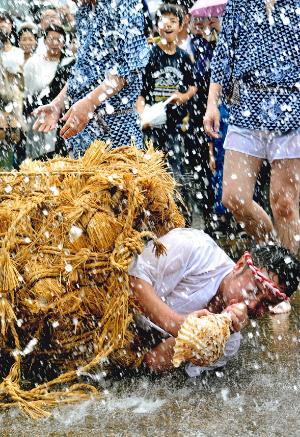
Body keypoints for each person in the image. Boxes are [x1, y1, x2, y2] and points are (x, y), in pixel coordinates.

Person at [128, 227, 299, 373]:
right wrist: (178, 324)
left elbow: (149, 364)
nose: (253, 304)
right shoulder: (194, 248)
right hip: (112, 309)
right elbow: (131, 278)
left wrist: (210, 333)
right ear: (239, 265)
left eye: (267, 304)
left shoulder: (229, 343)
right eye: (254, 290)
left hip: (127, 346)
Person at [204, 0, 300, 255]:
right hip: (246, 105)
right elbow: (223, 53)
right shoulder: (240, 3)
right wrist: (211, 103)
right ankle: (274, 257)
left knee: (285, 203)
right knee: (233, 197)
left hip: (292, 106)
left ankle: (286, 277)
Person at [33, 0, 150, 158]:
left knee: (118, 181)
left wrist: (90, 102)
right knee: (82, 182)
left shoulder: (124, 4)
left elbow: (127, 69)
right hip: (83, 130)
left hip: (117, 126)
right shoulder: (84, 11)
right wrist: (58, 103)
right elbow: (82, 70)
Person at [136, 3, 197, 220]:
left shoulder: (184, 56)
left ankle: (178, 216)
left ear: (181, 26)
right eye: (164, 20)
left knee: (176, 172)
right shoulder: (149, 56)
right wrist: (142, 116)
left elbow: (193, 85)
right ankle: (153, 217)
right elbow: (140, 93)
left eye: (173, 21)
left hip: (175, 126)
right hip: (152, 126)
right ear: (157, 25)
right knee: (150, 173)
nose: (168, 25)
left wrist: (183, 97)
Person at [24, 24, 70, 160]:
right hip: (39, 114)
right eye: (51, 39)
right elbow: (27, 93)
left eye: (59, 39)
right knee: (38, 157)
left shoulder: (70, 62)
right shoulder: (34, 63)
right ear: (44, 41)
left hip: (62, 116)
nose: (55, 43)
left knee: (58, 157)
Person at [0, 11, 24, 170]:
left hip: (15, 99)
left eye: (5, 22)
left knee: (14, 137)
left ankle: (12, 172)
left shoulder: (19, 52)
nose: (2, 25)